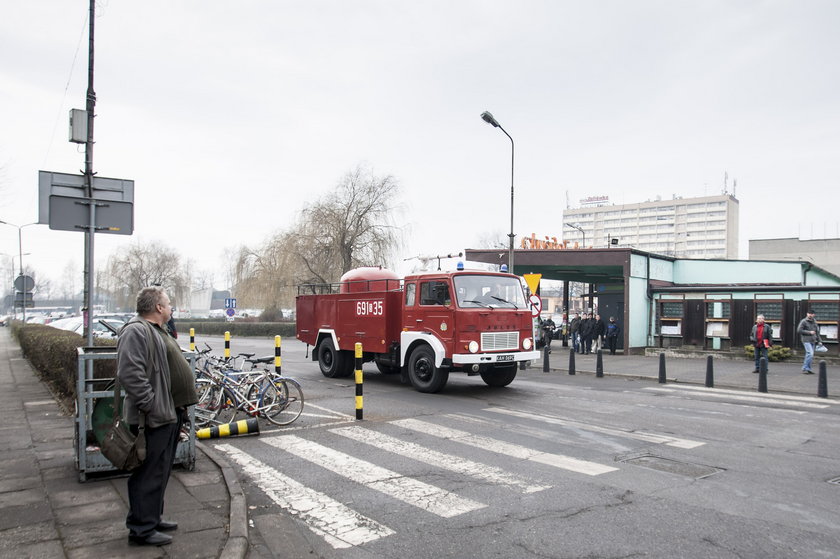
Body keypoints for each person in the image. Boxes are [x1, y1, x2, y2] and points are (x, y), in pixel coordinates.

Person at [117, 286, 196, 547]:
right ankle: (141, 529)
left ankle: (152, 517)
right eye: (168, 303)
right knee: (148, 472)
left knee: (160, 471)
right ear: (158, 308)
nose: (171, 307)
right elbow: (131, 374)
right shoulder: (136, 330)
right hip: (153, 416)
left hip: (169, 412)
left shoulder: (155, 330)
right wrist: (152, 405)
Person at [797, 309, 821, 375]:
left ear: (814, 314)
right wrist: (809, 332)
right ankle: (805, 368)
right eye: (809, 313)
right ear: (807, 314)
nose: (810, 315)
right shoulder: (803, 321)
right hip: (806, 340)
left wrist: (819, 341)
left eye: (811, 313)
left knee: (809, 355)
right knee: (810, 354)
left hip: (813, 340)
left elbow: (817, 332)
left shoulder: (814, 322)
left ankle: (808, 369)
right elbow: (799, 330)